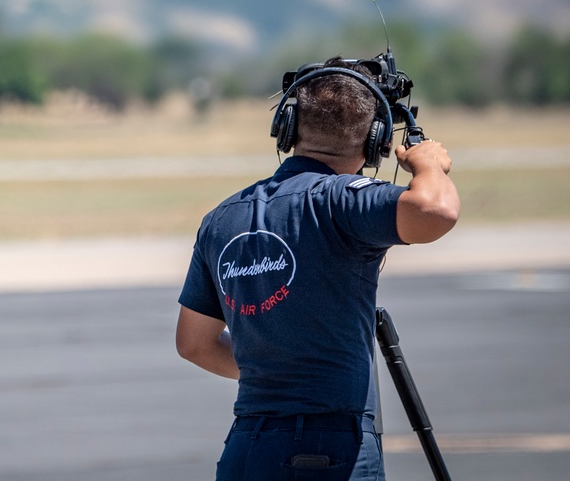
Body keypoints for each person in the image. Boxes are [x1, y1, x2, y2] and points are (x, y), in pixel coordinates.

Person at [175, 57, 459, 480]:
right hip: (330, 449)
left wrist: (276, 368)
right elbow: (436, 210)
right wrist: (429, 164)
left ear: (288, 128)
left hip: (247, 449)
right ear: (377, 139)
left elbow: (194, 343)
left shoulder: (222, 217)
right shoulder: (343, 200)